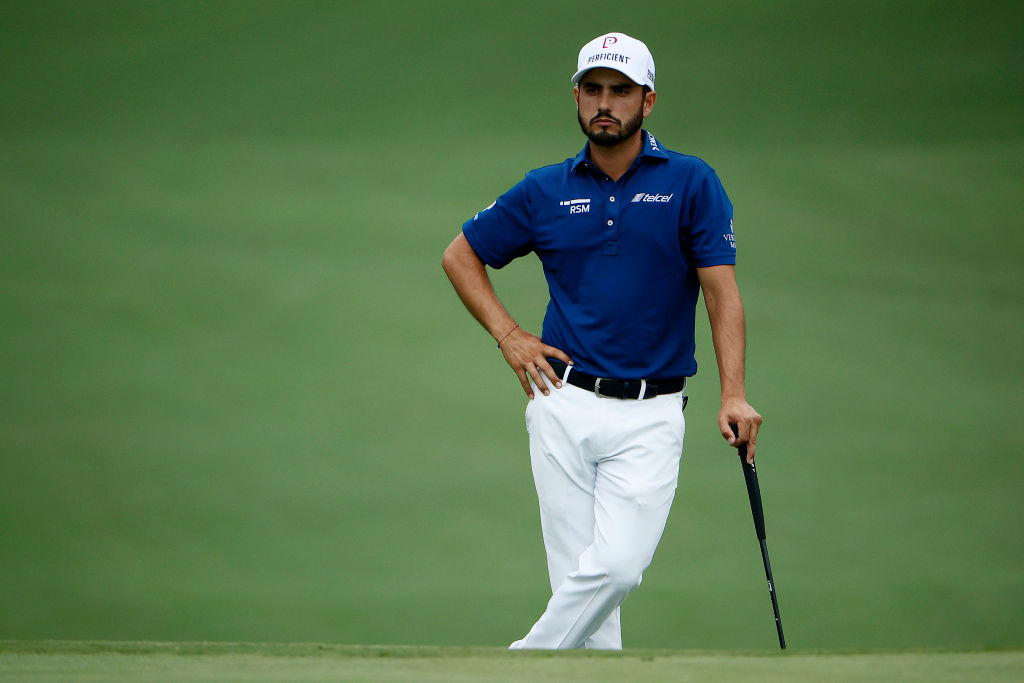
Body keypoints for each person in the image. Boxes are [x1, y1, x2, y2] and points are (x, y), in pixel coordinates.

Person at [441, 31, 763, 650]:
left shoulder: (691, 183)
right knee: (583, 599)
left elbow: (722, 293)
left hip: (652, 411)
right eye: (593, 90)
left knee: (615, 570)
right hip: (561, 401)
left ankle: (522, 662)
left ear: (648, 100)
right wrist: (509, 336)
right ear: (577, 97)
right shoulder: (544, 189)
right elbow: (461, 256)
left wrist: (734, 393)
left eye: (621, 90)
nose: (604, 102)